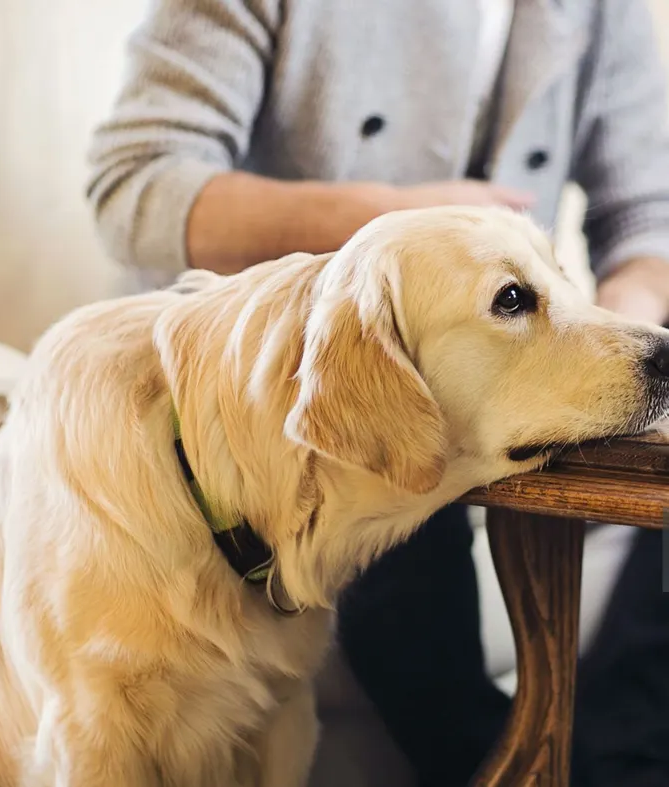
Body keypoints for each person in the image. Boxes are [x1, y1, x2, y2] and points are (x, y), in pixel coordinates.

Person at [88, 0, 669, 784]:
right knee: (393, 484)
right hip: (306, 400)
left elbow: (648, 223)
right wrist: (385, 226)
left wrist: (613, 356)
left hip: (513, 360)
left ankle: (618, 754)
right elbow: (134, 180)